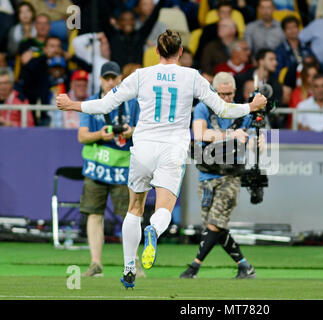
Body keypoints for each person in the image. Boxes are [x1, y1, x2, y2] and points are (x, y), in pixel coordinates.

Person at [56, 30, 267, 289]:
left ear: (156, 51)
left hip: (143, 146)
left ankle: (129, 268)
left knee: (134, 208)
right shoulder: (191, 76)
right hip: (172, 149)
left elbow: (105, 104)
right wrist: (252, 106)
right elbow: (223, 108)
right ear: (180, 52)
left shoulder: (141, 75)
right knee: (163, 208)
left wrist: (71, 104)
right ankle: (153, 231)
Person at [180, 72, 258, 279]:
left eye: (229, 94)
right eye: (221, 94)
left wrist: (255, 141)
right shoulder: (203, 108)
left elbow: (254, 137)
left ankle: (194, 267)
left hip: (231, 176)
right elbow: (199, 134)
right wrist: (231, 136)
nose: (226, 99)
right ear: (214, 92)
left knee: (215, 223)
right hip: (206, 174)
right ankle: (244, 266)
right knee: (215, 227)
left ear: (235, 92)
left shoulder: (243, 112)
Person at [75, 61, 141, 278]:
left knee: (129, 215)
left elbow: (144, 128)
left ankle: (134, 262)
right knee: (94, 214)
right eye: (107, 78)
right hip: (97, 168)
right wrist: (100, 135)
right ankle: (95, 264)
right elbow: (82, 136)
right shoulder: (92, 102)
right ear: (101, 79)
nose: (110, 81)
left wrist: (132, 132)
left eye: (114, 77)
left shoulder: (132, 102)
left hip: (124, 168)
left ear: (120, 78)